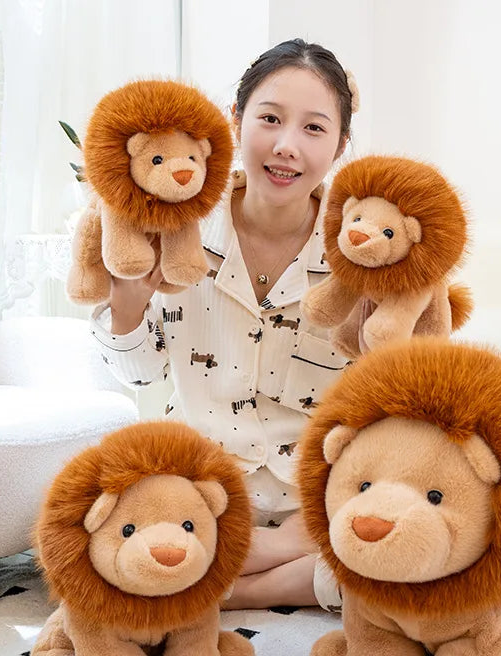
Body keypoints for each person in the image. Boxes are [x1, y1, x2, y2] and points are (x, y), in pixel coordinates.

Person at [90, 39, 359, 611]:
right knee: (111, 553)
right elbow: (139, 376)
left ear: (340, 143)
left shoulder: (360, 248)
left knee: (429, 556)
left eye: (314, 128)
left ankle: (237, 587)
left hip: (319, 500)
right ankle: (269, 565)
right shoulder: (174, 222)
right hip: (198, 492)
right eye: (269, 119)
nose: (287, 146)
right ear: (235, 123)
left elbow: (390, 389)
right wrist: (128, 299)